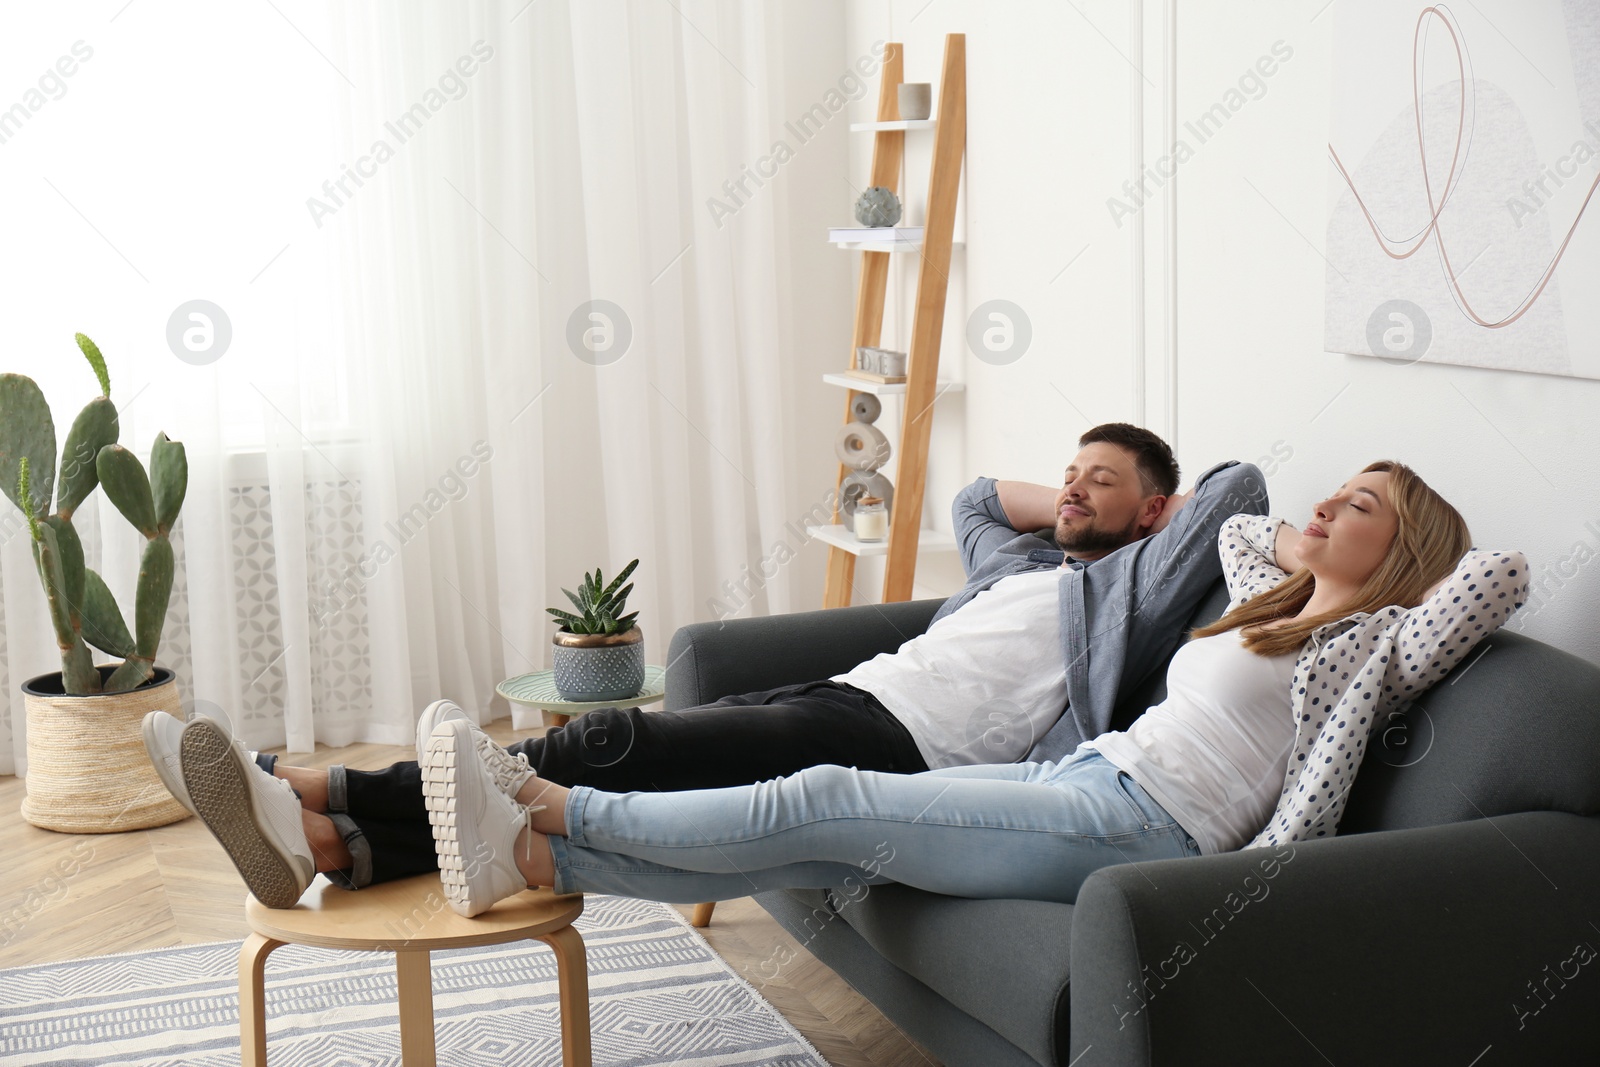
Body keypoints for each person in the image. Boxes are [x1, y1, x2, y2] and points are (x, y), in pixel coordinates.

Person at [149, 423, 1268, 907]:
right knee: (628, 752)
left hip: (907, 747)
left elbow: (1238, 486)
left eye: (1101, 480)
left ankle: (314, 792)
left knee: (609, 741)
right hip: (853, 692)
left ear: (1153, 514)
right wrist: (1067, 494)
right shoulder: (1013, 559)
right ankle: (336, 840)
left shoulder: (1130, 591)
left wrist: (1137, 514)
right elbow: (975, 494)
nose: (1070, 488)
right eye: (1069, 470)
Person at [412, 460, 1528, 917]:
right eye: (1331, 494)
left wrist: (1383, 562)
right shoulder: (1266, 605)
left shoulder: (1380, 643)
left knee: (825, 796)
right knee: (814, 853)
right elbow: (1237, 518)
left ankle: (551, 804)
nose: (1327, 508)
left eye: (1361, 506)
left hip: (1149, 831)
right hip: (1092, 779)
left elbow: (1497, 575)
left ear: (1406, 551)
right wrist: (1309, 542)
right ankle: (536, 858)